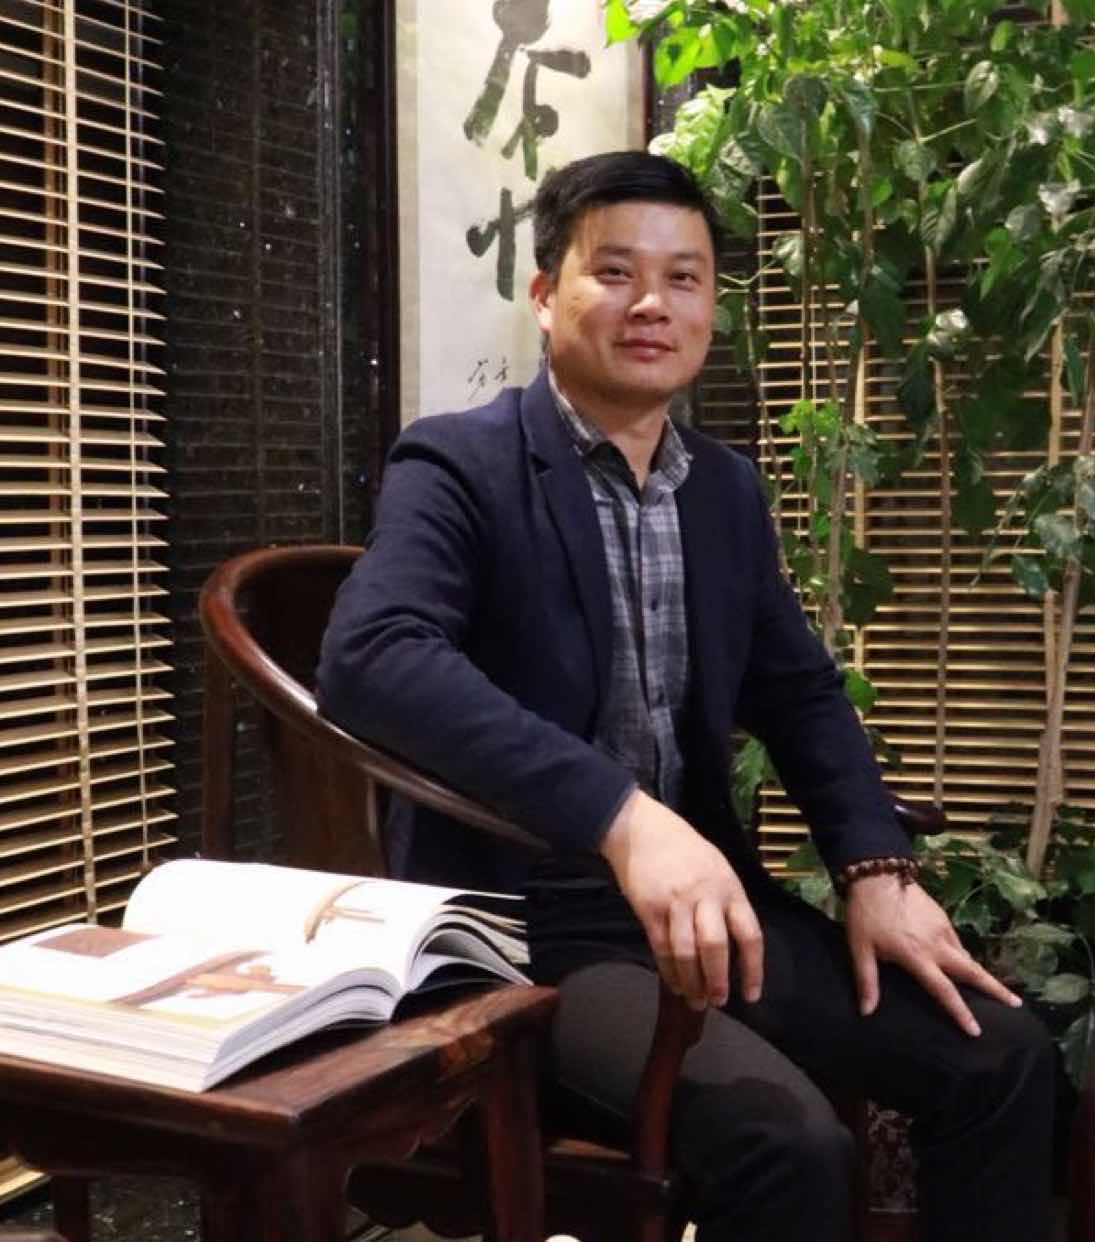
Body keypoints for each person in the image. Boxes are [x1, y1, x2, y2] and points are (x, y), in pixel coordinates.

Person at [317, 149, 1054, 1242]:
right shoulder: (460, 463)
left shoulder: (723, 489)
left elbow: (800, 692)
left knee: (1005, 1057)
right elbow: (371, 655)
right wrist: (620, 817)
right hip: (533, 928)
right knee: (786, 1144)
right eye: (615, 272)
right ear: (545, 294)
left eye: (685, 278)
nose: (652, 304)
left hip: (708, 912)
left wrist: (876, 868)